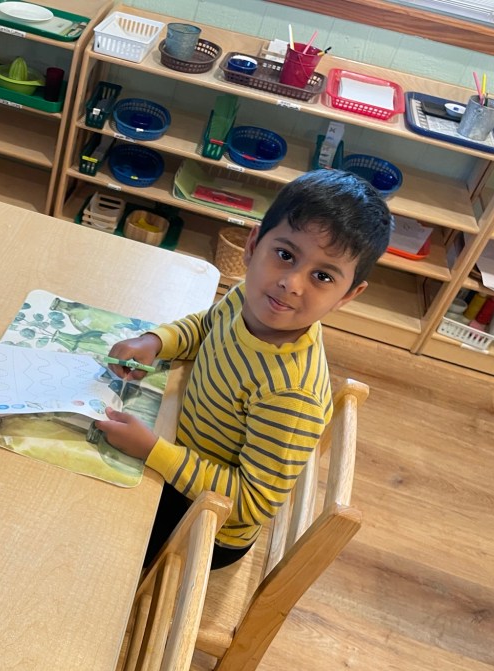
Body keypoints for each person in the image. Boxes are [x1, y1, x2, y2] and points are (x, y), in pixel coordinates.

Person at [95, 169, 391, 569]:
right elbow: (206, 326)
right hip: (178, 446)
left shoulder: (292, 395)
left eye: (322, 276)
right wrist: (156, 342)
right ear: (253, 246)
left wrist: (153, 451)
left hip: (203, 524)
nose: (291, 283)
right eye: (285, 255)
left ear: (347, 295)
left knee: (95, 528)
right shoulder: (250, 298)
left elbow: (250, 504)